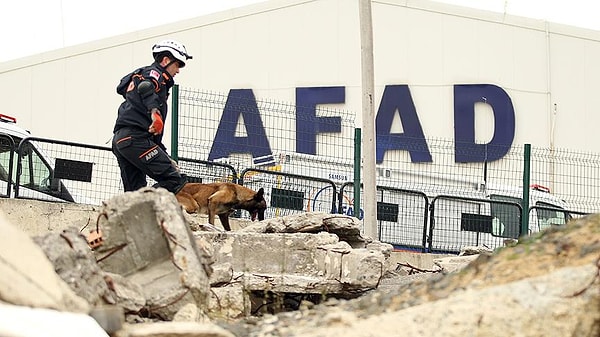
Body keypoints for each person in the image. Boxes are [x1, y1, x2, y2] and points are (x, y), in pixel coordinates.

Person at [112, 39, 192, 194]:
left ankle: (131, 212)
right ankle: (144, 203)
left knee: (134, 193)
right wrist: (155, 112)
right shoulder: (154, 74)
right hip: (135, 139)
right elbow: (146, 86)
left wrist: (165, 156)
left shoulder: (141, 76)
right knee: (174, 179)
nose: (179, 70)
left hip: (122, 141)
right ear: (166, 60)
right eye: (178, 64)